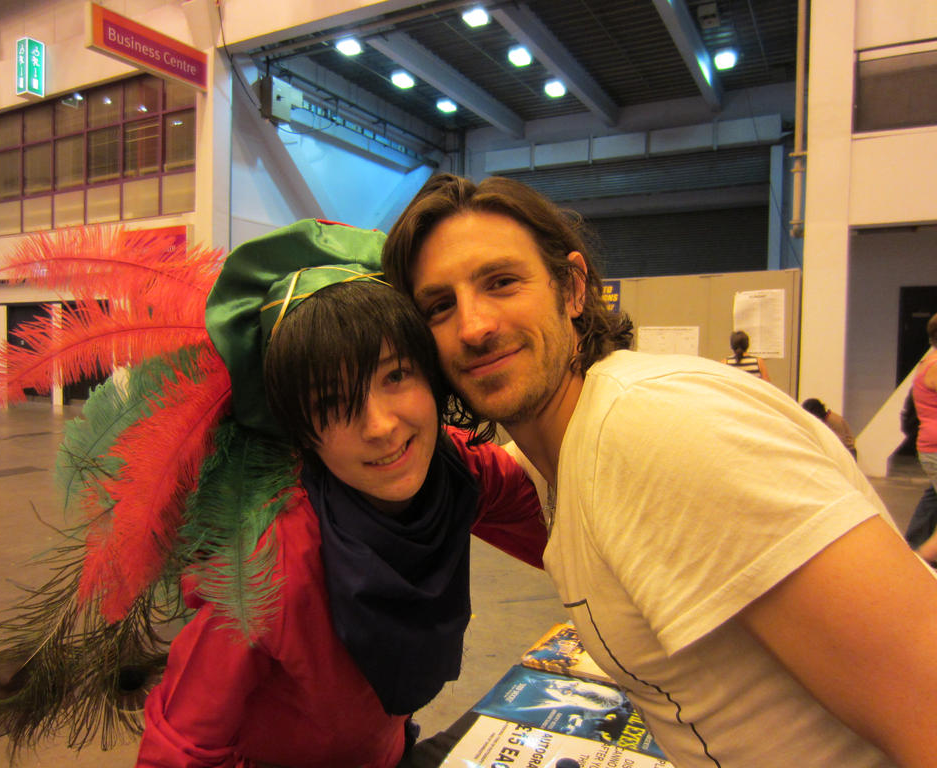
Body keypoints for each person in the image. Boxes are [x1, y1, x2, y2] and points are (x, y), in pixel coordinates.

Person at [383, 173, 937, 767]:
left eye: (502, 282)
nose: (474, 326)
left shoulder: (650, 428)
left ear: (572, 289)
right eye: (440, 306)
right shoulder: (571, 451)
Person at [135, 222, 547, 767]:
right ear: (301, 429)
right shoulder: (266, 564)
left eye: (396, 375)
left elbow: (565, 529)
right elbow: (180, 748)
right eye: (332, 402)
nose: (379, 426)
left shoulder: (454, 471)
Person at [909, 313, 937, 564]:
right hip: (935, 445)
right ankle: (917, 561)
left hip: (930, 443)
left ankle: (912, 547)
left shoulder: (927, 361)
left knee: (932, 497)